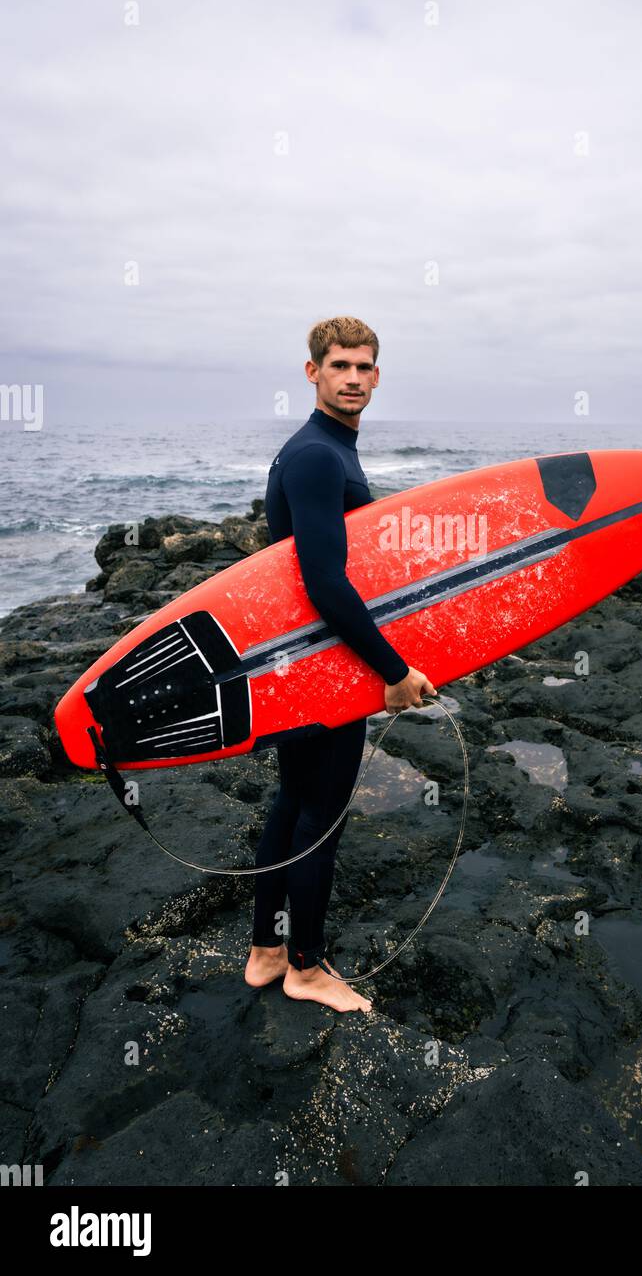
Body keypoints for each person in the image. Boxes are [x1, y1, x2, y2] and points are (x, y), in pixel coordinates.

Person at [244, 316, 437, 1012]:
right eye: (339, 366)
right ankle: (307, 967)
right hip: (330, 667)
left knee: (293, 803)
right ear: (312, 373)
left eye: (364, 367)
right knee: (319, 816)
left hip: (305, 665)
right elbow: (325, 581)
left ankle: (267, 951)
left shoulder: (316, 449)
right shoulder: (321, 456)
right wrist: (392, 671)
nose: (353, 377)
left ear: (377, 376)